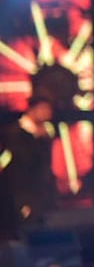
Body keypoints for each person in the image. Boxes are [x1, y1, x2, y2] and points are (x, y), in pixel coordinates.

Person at [0, 96, 57, 239]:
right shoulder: (14, 133)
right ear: (33, 109)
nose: (48, 113)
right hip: (22, 193)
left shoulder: (48, 132)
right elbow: (9, 163)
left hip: (45, 192)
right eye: (44, 109)